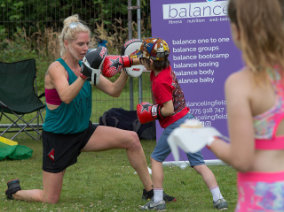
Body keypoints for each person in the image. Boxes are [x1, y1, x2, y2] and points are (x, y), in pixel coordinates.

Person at [4, 14, 175, 204]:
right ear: (67, 44)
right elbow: (67, 96)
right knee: (50, 198)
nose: (85, 48)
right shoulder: (56, 68)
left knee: (132, 139)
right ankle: (14, 192)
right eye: (80, 44)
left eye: (87, 43)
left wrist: (126, 69)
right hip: (59, 137)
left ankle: (150, 191)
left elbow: (114, 90)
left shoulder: (86, 67)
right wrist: (86, 73)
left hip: (83, 132)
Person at [178, 0, 284, 211]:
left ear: (238, 30)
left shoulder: (241, 83)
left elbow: (242, 159)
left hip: (264, 197)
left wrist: (205, 136)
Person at [136, 38, 228, 210]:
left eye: (143, 59)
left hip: (175, 124)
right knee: (199, 164)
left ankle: (157, 200)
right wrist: (125, 60)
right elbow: (150, 59)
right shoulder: (165, 67)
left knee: (156, 159)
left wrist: (152, 111)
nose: (141, 62)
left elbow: (169, 109)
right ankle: (219, 199)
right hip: (188, 119)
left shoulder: (159, 82)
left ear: (150, 61)